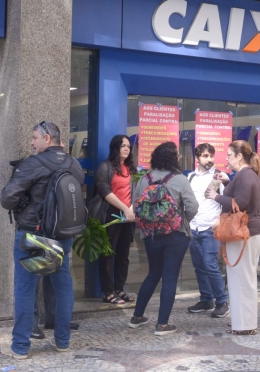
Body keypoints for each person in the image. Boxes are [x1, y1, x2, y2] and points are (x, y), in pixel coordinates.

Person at [0, 121, 84, 359]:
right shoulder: (74, 164)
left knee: (25, 288)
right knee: (62, 284)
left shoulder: (32, 164)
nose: (31, 142)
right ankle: (63, 341)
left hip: (32, 236)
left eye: (34, 137)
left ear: (47, 138)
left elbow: (7, 199)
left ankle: (20, 347)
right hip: (61, 235)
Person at [129, 142, 198, 336]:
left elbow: (136, 207)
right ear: (173, 159)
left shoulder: (144, 179)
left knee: (153, 273)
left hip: (151, 236)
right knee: (170, 278)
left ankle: (137, 317)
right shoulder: (180, 180)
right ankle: (162, 324)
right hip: (176, 236)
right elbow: (193, 207)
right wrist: (181, 221)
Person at [205, 140, 260, 336]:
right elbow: (240, 197)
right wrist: (226, 182)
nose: (226, 159)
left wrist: (215, 196)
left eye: (229, 155)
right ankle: (242, 323)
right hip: (247, 232)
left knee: (243, 279)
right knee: (240, 279)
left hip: (245, 233)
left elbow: (240, 203)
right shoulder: (245, 176)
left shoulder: (246, 176)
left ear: (239, 156)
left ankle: (246, 325)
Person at [186, 143, 229, 318]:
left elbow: (227, 201)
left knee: (210, 265)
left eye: (211, 156)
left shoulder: (219, 177)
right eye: (205, 156)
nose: (209, 159)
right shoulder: (190, 177)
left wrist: (218, 222)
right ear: (197, 158)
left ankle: (221, 301)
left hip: (210, 228)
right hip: (193, 228)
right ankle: (206, 299)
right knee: (199, 266)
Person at [95, 134, 137, 305]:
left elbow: (137, 191)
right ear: (115, 148)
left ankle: (119, 288)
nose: (126, 148)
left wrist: (131, 209)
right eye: (123, 146)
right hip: (111, 214)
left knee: (123, 255)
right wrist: (125, 208)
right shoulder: (105, 167)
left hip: (128, 217)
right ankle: (108, 292)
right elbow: (104, 190)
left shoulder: (131, 168)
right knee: (107, 255)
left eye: (128, 146)